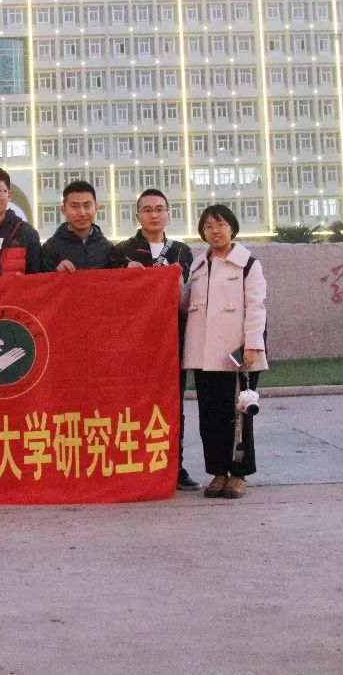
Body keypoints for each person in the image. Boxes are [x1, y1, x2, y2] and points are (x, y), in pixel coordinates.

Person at [107, 188, 198, 490]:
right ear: (138, 215)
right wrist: (125, 274)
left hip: (173, 340)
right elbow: (110, 297)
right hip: (136, 343)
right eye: (147, 209)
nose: (154, 214)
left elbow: (191, 296)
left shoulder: (182, 251)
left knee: (173, 403)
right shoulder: (121, 251)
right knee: (134, 404)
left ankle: (175, 465)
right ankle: (134, 465)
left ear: (169, 214)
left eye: (160, 209)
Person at [182, 203, 267, 499]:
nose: (214, 231)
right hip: (204, 355)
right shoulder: (198, 265)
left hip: (236, 353)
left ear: (232, 227)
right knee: (210, 415)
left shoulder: (248, 265)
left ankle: (239, 474)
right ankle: (218, 472)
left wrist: (253, 345)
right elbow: (186, 304)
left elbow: (257, 308)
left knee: (239, 416)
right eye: (208, 226)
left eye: (220, 224)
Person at [39, 180, 113, 272]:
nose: (82, 213)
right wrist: (56, 272)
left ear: (96, 207)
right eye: (75, 206)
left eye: (87, 206)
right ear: (63, 210)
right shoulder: (50, 248)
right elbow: (44, 283)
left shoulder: (108, 248)